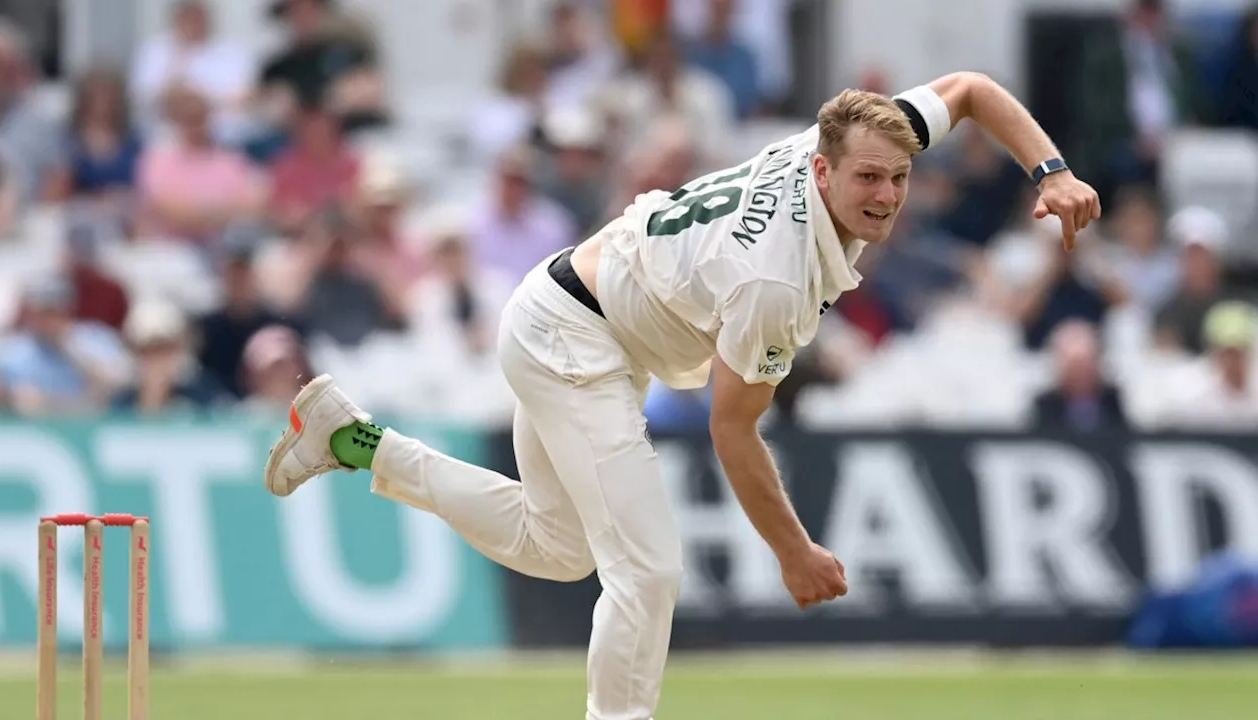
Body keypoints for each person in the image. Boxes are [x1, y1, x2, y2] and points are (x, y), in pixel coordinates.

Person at [262, 71, 1100, 719]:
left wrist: (1051, 169)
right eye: (869, 180)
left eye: (898, 179)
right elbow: (734, 432)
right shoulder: (773, 274)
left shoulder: (846, 136)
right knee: (648, 569)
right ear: (822, 166)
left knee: (557, 548)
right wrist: (795, 553)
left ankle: (351, 439)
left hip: (587, 320)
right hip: (572, 336)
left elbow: (972, 89)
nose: (885, 196)